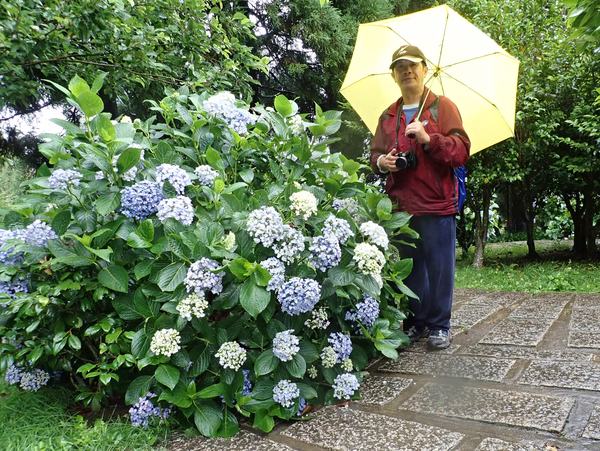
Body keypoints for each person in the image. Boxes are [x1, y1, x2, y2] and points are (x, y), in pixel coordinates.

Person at [370, 44, 470, 350]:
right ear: (393, 75)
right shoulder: (389, 115)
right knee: (410, 269)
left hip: (437, 203)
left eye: (412, 65)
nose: (407, 71)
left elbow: (461, 151)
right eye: (400, 67)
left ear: (424, 69)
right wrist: (382, 162)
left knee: (440, 269)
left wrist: (430, 139)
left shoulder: (442, 107)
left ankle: (439, 325)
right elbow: (375, 154)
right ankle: (415, 322)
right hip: (402, 206)